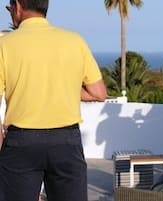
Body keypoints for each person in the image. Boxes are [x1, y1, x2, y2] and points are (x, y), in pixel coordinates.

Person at [0, 0, 107, 201]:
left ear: (18, 6)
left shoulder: (4, 45)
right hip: (66, 141)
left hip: (21, 142)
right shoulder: (75, 41)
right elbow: (98, 93)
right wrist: (63, 87)